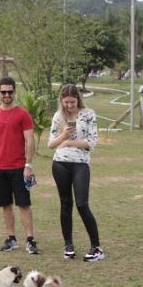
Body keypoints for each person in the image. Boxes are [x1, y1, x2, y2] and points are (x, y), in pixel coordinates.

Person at [47, 83, 104, 262]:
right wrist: (63, 136)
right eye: (66, 102)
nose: (69, 106)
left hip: (80, 163)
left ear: (78, 99)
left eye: (72, 102)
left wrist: (69, 142)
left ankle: (96, 247)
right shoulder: (58, 116)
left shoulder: (89, 115)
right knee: (65, 204)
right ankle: (68, 245)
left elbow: (91, 142)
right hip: (60, 163)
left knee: (82, 204)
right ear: (61, 101)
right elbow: (51, 144)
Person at [0, 77, 39, 255]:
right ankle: (11, 238)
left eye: (10, 91)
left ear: (15, 92)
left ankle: (30, 240)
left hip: (19, 168)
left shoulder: (23, 114)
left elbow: (30, 140)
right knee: (5, 204)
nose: (7, 95)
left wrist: (28, 165)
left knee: (24, 204)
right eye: (3, 92)